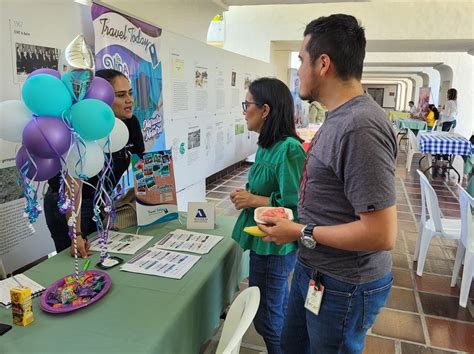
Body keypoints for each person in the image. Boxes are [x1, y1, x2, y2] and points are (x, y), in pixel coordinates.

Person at [258, 15, 397, 353]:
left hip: (343, 285)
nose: (299, 70)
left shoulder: (360, 127)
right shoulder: (341, 118)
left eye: (301, 61)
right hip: (318, 272)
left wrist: (299, 232)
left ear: (323, 64)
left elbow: (381, 234)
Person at [230, 77, 305, 354]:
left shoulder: (289, 149)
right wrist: (248, 198)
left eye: (247, 104)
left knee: (268, 318)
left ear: (265, 110)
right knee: (274, 309)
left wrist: (253, 200)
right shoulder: (266, 144)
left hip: (276, 244)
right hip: (262, 240)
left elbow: (295, 206)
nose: (243, 110)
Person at [44, 69, 145, 258]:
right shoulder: (83, 125)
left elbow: (141, 163)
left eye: (130, 93)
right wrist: (76, 234)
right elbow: (72, 181)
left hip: (99, 202)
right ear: (102, 98)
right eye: (121, 95)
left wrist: (155, 202)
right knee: (76, 260)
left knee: (101, 257)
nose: (129, 100)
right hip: (69, 204)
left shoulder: (131, 123)